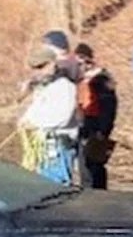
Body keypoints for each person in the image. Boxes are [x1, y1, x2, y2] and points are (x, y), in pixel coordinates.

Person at [19, 45, 79, 185]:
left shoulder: (65, 86)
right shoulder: (44, 86)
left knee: (55, 187)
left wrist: (34, 123)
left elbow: (63, 117)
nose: (37, 72)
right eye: (34, 68)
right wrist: (25, 120)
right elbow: (35, 110)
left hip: (58, 146)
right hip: (42, 147)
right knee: (39, 185)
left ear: (52, 64)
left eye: (41, 67)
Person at [74, 43, 118, 189]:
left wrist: (103, 130)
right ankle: (88, 189)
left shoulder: (102, 80)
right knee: (84, 163)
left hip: (96, 125)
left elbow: (109, 108)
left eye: (81, 62)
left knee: (94, 163)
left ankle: (97, 192)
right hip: (84, 124)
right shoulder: (81, 79)